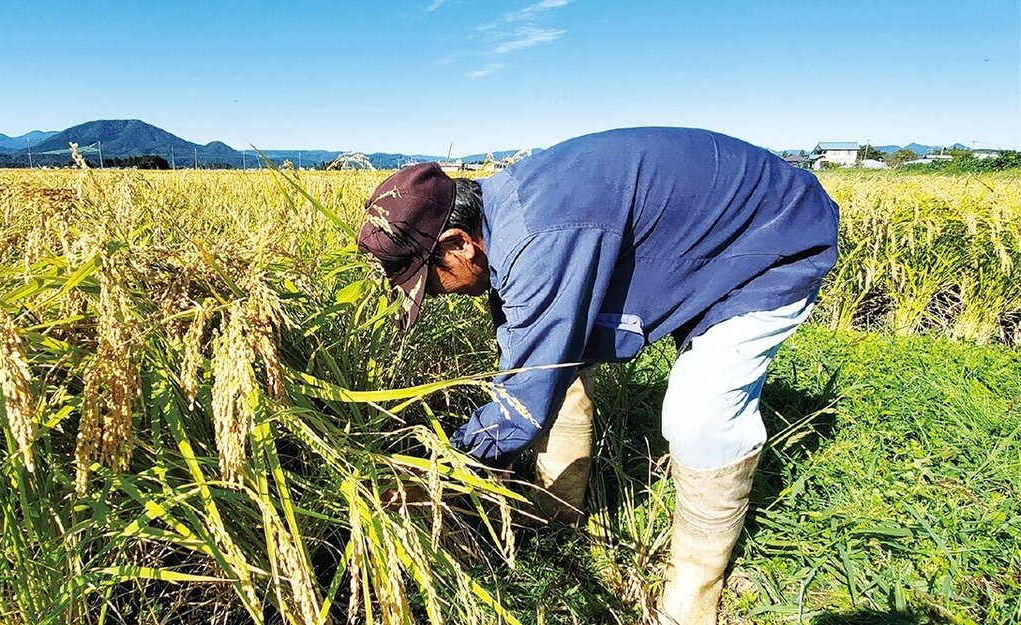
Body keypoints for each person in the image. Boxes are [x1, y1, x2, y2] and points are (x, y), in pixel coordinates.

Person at [357, 127, 839, 625]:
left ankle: (696, 588)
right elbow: (538, 361)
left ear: (460, 244)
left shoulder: (541, 237)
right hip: (705, 236)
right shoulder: (504, 214)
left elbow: (525, 396)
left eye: (428, 282)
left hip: (772, 240)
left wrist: (441, 469)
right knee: (557, 357)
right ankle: (557, 512)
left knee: (701, 414)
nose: (437, 296)